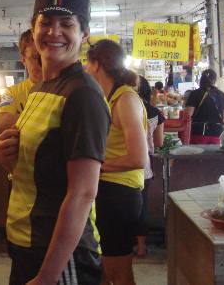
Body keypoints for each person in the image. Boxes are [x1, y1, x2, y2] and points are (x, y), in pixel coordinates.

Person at [0, 0, 110, 285]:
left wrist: (48, 275)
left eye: (66, 24)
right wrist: (5, 159)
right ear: (33, 28)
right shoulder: (41, 89)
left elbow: (83, 193)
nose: (53, 32)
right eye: (45, 22)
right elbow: (36, 170)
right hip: (28, 243)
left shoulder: (83, 95)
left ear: (84, 35)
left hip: (60, 256)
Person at [86, 39, 148, 285]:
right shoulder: (108, 98)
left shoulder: (125, 99)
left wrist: (95, 167)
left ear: (98, 65)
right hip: (106, 191)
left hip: (120, 194)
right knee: (101, 270)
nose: (86, 69)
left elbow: (138, 158)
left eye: (87, 64)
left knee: (117, 272)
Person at [135, 76, 165, 258]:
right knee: (141, 207)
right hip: (144, 167)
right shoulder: (155, 113)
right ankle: (141, 247)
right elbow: (159, 142)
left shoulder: (118, 106)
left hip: (118, 165)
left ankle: (120, 246)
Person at [0, 29, 43, 133]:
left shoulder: (62, 88)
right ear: (23, 59)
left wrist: (19, 118)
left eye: (44, 57)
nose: (40, 63)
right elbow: (3, 123)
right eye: (34, 57)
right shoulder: (10, 92)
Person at [184, 69, 224, 143]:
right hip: (217, 133)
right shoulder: (222, 94)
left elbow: (188, 114)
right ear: (214, 80)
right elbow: (223, 117)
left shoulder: (194, 94)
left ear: (201, 79)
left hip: (198, 132)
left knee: (199, 154)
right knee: (214, 154)